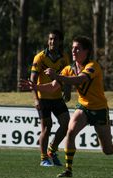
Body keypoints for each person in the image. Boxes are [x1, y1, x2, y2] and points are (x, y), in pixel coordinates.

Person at [21, 36, 113, 177]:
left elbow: (80, 79)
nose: (73, 50)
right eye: (72, 48)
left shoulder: (93, 66)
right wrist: (35, 86)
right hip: (83, 107)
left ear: (86, 51)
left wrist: (57, 76)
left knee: (107, 149)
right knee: (70, 132)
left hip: (99, 109)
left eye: (77, 48)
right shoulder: (68, 69)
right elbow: (53, 87)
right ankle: (68, 170)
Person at [29, 29, 71, 167]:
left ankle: (51, 151)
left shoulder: (64, 57)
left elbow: (68, 76)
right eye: (50, 39)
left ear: (60, 41)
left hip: (57, 97)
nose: (52, 41)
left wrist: (67, 90)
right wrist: (36, 99)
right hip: (43, 98)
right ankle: (43, 159)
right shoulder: (40, 57)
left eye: (55, 39)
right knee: (47, 128)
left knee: (66, 124)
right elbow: (32, 81)